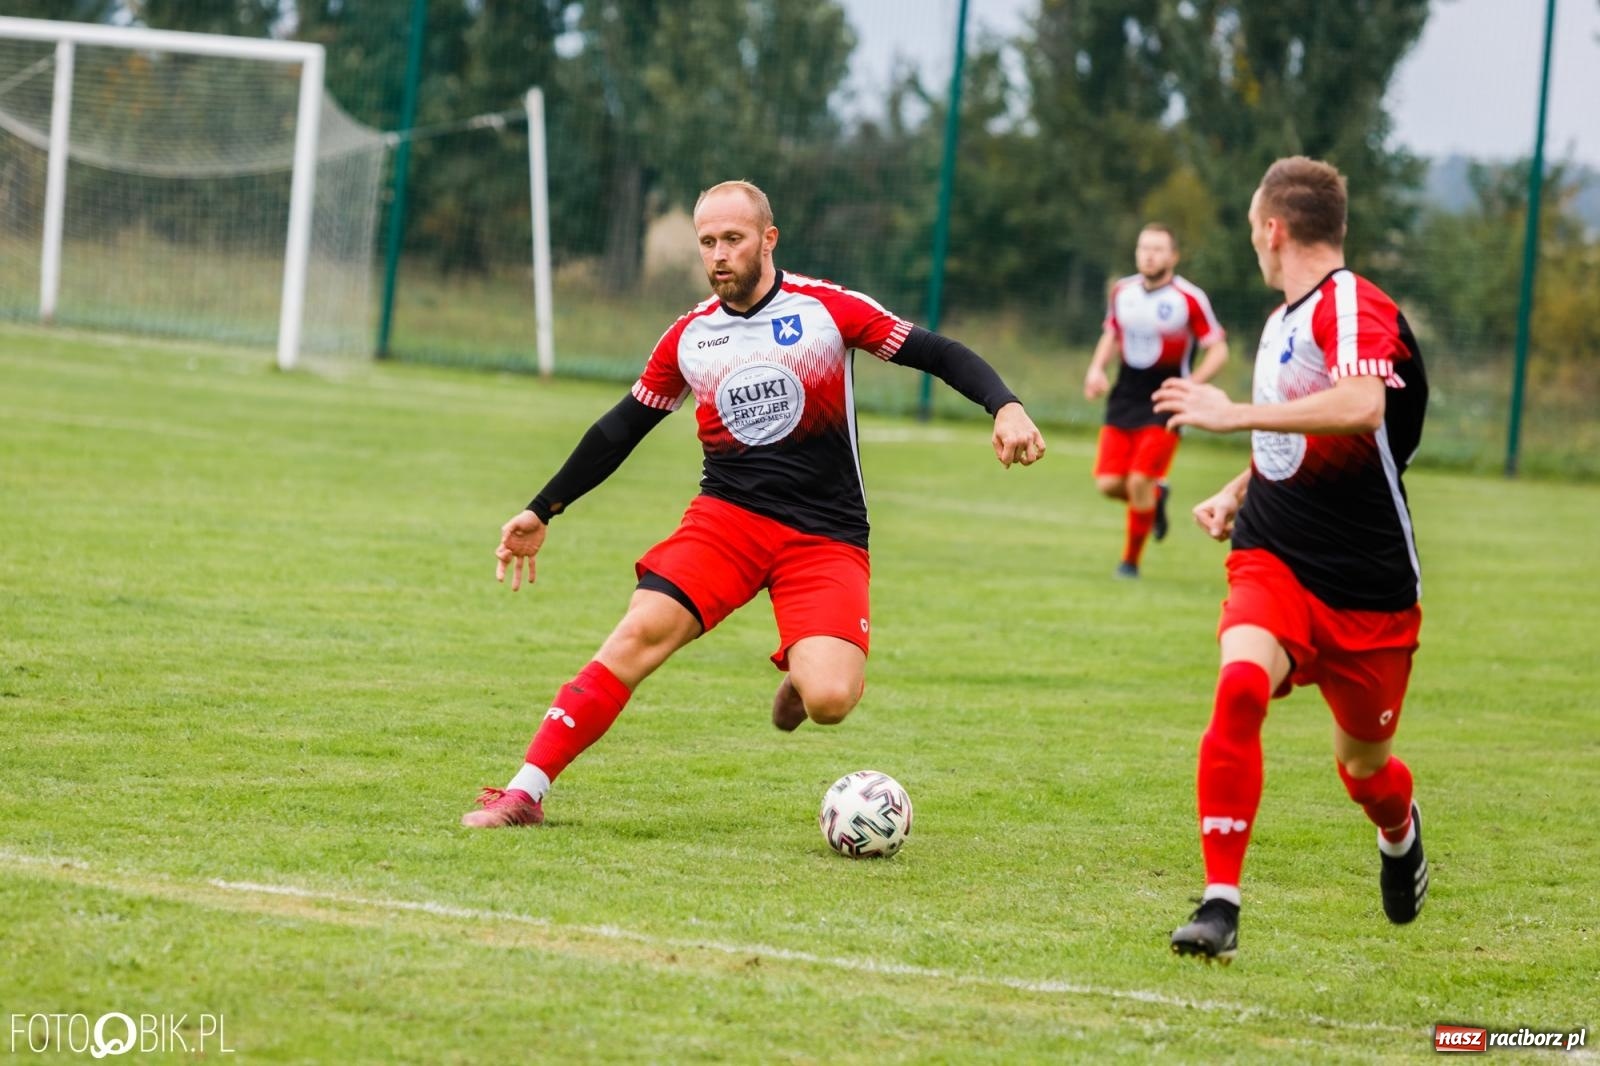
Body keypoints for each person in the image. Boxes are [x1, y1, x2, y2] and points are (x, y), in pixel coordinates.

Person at [463, 179, 1048, 829]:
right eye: (707, 242)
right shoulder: (690, 337)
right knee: (636, 636)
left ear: (768, 240)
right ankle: (523, 792)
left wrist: (1005, 405)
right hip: (726, 522)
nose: (719, 255)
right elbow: (622, 428)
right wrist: (542, 508)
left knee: (829, 700)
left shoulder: (826, 310)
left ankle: (804, 671)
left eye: (733, 239)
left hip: (825, 534)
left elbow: (937, 351)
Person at [1152, 157, 1430, 962]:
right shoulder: (1282, 321)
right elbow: (1301, 432)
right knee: (1240, 685)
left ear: (1273, 229)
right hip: (1273, 554)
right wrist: (1240, 487)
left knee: (1365, 769)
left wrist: (1231, 414)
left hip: (1368, 587)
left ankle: (1398, 830)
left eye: (1252, 230)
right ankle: (1220, 904)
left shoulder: (1354, 305)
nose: (1254, 244)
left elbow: (1361, 407)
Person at [1083, 223, 1228, 579]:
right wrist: (1096, 369)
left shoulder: (1189, 298)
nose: (1149, 255)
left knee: (1138, 481)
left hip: (1166, 400)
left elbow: (1218, 349)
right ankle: (1156, 497)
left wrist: (1191, 385)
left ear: (1173, 256)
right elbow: (1112, 333)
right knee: (1108, 484)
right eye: (1144, 248)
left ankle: (1129, 563)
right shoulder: (1122, 291)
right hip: (1124, 395)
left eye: (1158, 249)